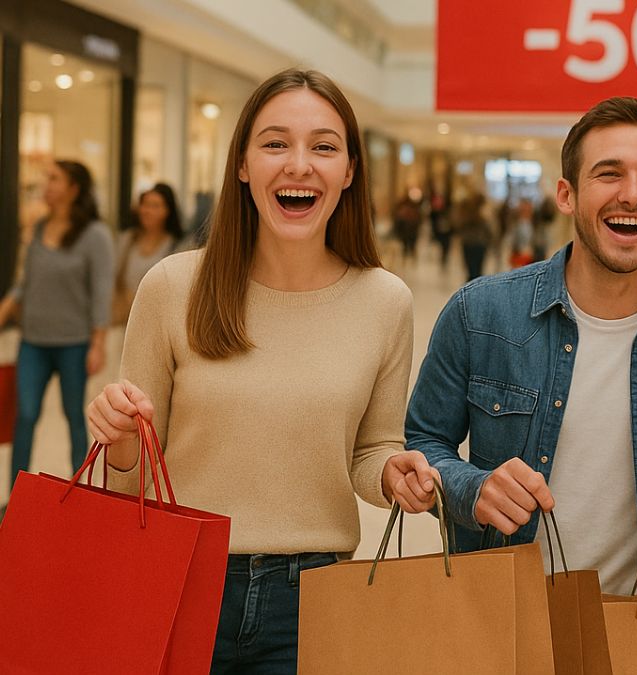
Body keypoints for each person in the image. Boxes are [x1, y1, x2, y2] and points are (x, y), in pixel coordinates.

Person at [84, 69, 415, 672]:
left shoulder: (384, 301)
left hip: (312, 597)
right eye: (275, 143)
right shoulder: (173, 287)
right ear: (242, 164)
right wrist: (121, 436)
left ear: (349, 171)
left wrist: (392, 473)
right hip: (181, 580)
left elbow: (372, 450)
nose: (299, 165)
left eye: (323, 146)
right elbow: (129, 485)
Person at [389, 97, 637, 596]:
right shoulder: (479, 314)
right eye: (609, 173)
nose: (632, 194)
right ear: (566, 194)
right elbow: (424, 440)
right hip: (502, 614)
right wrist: (473, 489)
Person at [0, 160, 114, 486]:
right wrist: (5, 309)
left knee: (74, 416)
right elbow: (25, 282)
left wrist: (98, 343)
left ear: (74, 189)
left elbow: (101, 292)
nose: (46, 185)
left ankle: (80, 491)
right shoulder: (38, 228)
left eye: (54, 179)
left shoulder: (95, 235)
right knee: (25, 415)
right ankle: (17, 494)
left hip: (73, 343)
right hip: (33, 341)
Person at [112, 183, 183, 324]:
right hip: (124, 319)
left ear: (168, 211)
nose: (148, 211)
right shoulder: (127, 240)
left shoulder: (177, 247)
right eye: (145, 205)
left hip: (156, 320)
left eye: (155, 206)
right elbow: (114, 278)